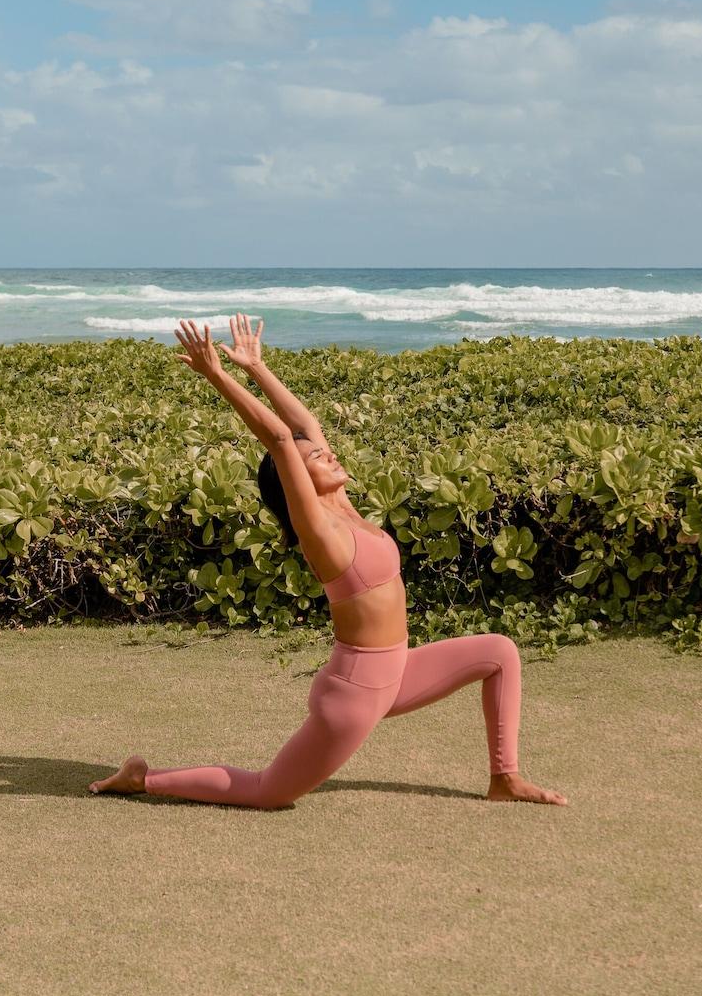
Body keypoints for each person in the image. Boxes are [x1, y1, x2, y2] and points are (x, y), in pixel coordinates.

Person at [89, 313, 567, 808]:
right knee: (269, 792)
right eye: (315, 460)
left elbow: (302, 426)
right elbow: (280, 441)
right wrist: (217, 376)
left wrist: (257, 367)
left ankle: (505, 779)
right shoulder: (321, 531)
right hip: (355, 692)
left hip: (397, 671)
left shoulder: (349, 510)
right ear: (297, 478)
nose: (328, 454)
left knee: (500, 653)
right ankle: (143, 778)